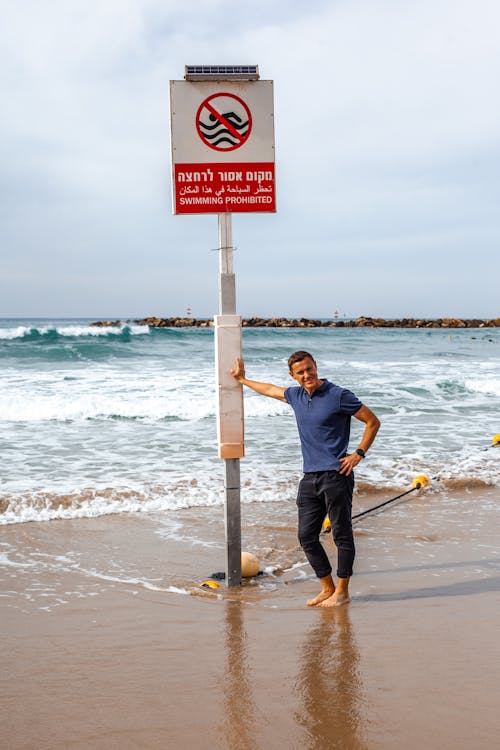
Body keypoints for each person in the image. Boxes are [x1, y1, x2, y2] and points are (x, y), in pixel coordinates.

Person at [230, 351, 380, 608]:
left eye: (310, 369)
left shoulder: (338, 395)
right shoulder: (295, 396)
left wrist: (358, 454)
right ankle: (327, 588)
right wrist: (243, 380)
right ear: (293, 376)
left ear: (316, 367)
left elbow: (372, 421)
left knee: (341, 534)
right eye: (300, 372)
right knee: (306, 536)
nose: (307, 375)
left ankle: (342, 592)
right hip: (310, 477)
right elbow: (269, 389)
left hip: (337, 475)